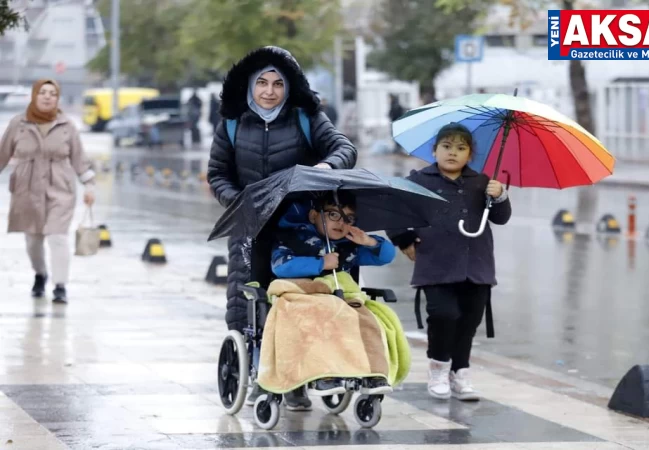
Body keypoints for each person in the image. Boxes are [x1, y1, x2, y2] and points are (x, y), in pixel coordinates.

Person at [207, 46, 357, 411]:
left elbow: (344, 148)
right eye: (262, 82)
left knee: (298, 299)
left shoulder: (307, 118)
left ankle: (298, 379)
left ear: (289, 87)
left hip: (298, 225)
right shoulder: (232, 123)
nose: (270, 91)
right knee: (252, 302)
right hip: (250, 227)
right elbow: (217, 175)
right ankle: (264, 374)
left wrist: (326, 166)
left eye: (278, 83)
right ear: (250, 86)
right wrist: (239, 202)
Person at [386, 123, 511, 401]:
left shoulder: (482, 182)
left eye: (461, 148)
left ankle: (460, 373)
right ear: (434, 150)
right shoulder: (419, 181)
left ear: (470, 154)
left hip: (476, 265)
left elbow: (501, 218)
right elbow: (394, 213)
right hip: (436, 264)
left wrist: (499, 196)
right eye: (446, 146)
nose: (452, 153)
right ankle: (439, 368)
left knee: (468, 321)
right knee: (444, 314)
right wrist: (404, 240)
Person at [270, 191, 395, 396]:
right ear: (313, 216)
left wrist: (369, 242)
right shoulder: (293, 238)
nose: (342, 222)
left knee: (368, 319)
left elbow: (386, 257)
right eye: (333, 215)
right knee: (320, 317)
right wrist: (320, 263)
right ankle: (323, 373)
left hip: (341, 301)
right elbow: (280, 267)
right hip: (305, 299)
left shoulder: (348, 245)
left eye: (349, 218)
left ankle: (373, 372)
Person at [0, 79, 96, 304]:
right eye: (42, 92)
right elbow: (2, 154)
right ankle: (40, 274)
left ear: (57, 98)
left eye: (52, 93)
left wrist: (89, 185)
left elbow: (80, 160)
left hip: (60, 188)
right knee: (33, 241)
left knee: (57, 237)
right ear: (34, 96)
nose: (47, 97)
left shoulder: (67, 126)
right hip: (26, 189)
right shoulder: (18, 124)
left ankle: (60, 286)